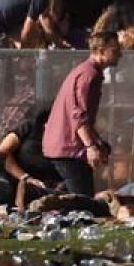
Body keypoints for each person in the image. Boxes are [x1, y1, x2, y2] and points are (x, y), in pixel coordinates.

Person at [41, 31, 122, 196]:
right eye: (114, 50)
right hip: (68, 149)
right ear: (99, 50)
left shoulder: (90, 73)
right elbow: (78, 115)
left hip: (67, 147)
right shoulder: (88, 75)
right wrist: (91, 146)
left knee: (74, 197)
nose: (120, 54)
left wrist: (97, 142)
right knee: (83, 203)